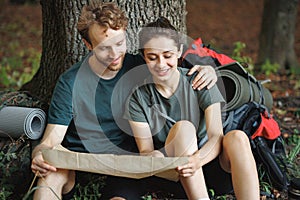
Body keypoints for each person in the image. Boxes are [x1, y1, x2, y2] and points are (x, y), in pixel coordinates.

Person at [30, 1, 218, 200]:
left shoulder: (140, 65)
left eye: (119, 43)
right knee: (48, 177)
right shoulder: (70, 82)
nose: (114, 55)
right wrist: (39, 154)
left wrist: (208, 70)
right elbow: (50, 141)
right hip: (79, 163)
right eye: (104, 48)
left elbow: (172, 66)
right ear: (88, 45)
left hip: (124, 165)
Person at [124, 17, 260, 200]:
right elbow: (146, 150)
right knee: (183, 128)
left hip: (210, 164)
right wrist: (154, 156)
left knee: (238, 137)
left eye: (167, 55)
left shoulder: (199, 80)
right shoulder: (137, 97)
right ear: (144, 57)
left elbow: (216, 136)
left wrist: (197, 160)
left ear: (179, 51)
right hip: (179, 173)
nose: (161, 64)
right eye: (152, 57)